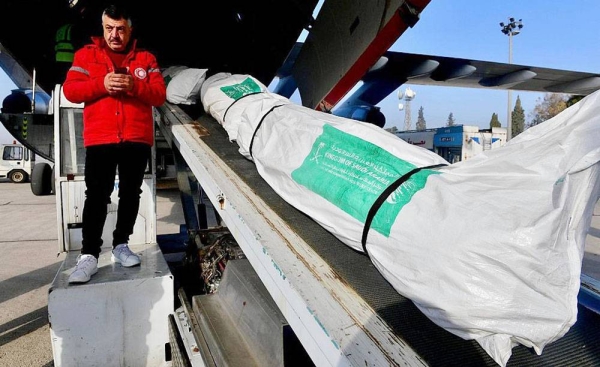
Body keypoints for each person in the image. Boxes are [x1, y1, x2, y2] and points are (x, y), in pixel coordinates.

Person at [63, 4, 166, 284]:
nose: (115, 35)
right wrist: (102, 84)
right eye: (109, 28)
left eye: (120, 29)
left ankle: (121, 245)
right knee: (97, 195)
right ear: (103, 27)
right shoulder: (86, 55)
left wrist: (134, 86)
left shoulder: (146, 58)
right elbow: (70, 90)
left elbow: (158, 95)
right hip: (101, 137)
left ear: (130, 29)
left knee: (131, 193)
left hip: (136, 137)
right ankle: (89, 256)